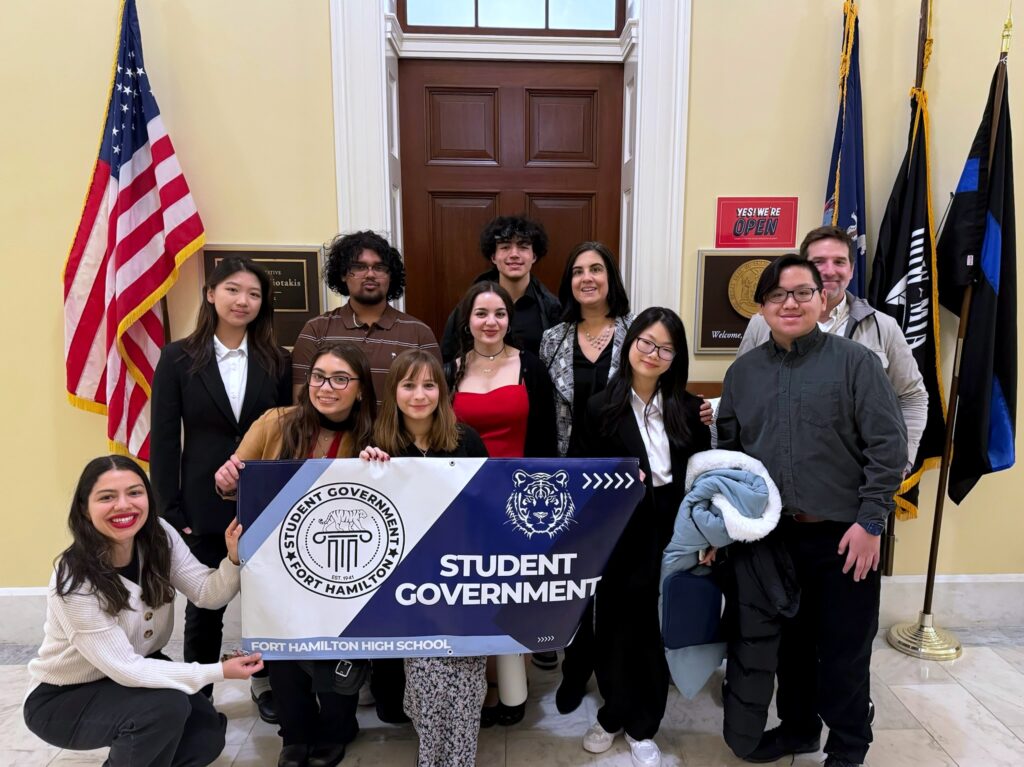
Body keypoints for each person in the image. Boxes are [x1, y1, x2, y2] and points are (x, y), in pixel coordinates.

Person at [716, 256, 907, 767]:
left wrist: (871, 522)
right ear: (762, 307)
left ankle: (848, 746)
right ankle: (799, 729)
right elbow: (730, 456)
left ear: (823, 300)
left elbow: (888, 446)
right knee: (790, 648)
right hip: (772, 538)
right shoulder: (743, 374)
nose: (790, 303)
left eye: (803, 292)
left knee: (844, 652)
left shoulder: (855, 363)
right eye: (777, 295)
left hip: (845, 537)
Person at [24, 455, 263, 767]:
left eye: (135, 493)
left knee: (205, 735)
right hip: (63, 697)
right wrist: (219, 671)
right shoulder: (74, 580)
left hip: (131, 672)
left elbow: (207, 594)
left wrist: (233, 558)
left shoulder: (159, 535)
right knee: (164, 709)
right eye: (107, 497)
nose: (123, 505)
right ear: (84, 508)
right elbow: (127, 668)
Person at [215, 343, 376, 767]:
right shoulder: (275, 422)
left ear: (360, 389)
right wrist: (226, 479)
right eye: (319, 377)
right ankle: (295, 734)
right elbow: (235, 481)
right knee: (283, 652)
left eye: (340, 379)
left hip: (343, 565)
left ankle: (338, 728)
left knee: (336, 649)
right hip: (276, 563)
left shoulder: (372, 433)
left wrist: (381, 463)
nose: (326, 387)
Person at [150, 256, 289, 720]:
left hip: (264, 501)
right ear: (211, 294)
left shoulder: (278, 360)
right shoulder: (176, 358)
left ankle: (268, 686)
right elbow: (164, 440)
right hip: (201, 506)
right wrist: (170, 512)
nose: (242, 301)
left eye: (253, 293)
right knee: (205, 608)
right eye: (232, 289)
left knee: (268, 602)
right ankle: (199, 699)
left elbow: (287, 433)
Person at [572, 308, 711, 767]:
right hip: (619, 528)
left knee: (654, 627)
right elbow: (579, 473)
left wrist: (707, 537)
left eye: (665, 348)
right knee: (614, 624)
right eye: (646, 342)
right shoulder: (599, 406)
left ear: (676, 357)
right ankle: (612, 714)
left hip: (673, 526)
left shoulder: (689, 409)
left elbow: (703, 478)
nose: (653, 354)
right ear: (630, 343)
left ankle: (644, 724)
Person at [360, 349, 489, 767]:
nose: (419, 395)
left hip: (462, 578)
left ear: (443, 391)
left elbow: (488, 506)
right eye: (409, 385)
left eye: (429, 385)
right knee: (424, 681)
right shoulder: (377, 446)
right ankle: (432, 754)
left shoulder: (467, 441)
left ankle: (458, 758)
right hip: (408, 585)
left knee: (466, 678)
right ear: (393, 391)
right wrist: (364, 470)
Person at [446, 280, 557, 723]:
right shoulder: (449, 370)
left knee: (515, 595)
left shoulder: (532, 367)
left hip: (522, 501)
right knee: (476, 595)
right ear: (467, 320)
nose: (490, 322)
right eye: (481, 313)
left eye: (499, 313)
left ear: (510, 320)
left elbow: (547, 440)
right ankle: (484, 685)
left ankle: (514, 689)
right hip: (465, 502)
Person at [735, 225, 927, 470]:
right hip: (774, 472)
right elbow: (742, 394)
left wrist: (901, 461)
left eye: (839, 261)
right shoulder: (762, 324)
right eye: (818, 262)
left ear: (852, 269)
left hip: (856, 475)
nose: (829, 270)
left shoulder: (883, 327)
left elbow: (911, 396)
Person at [538, 240, 633, 708]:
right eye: (578, 271)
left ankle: (615, 677)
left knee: (617, 584)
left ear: (610, 278)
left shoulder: (636, 334)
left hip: (622, 481)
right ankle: (574, 670)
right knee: (572, 582)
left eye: (596, 269)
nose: (587, 278)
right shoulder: (552, 338)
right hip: (567, 478)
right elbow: (543, 410)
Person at [291, 230, 441, 406]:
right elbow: (301, 405)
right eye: (359, 267)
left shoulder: (419, 333)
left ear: (390, 276)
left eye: (379, 267)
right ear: (343, 274)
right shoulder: (316, 330)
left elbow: (436, 402)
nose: (370, 274)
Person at [440, 215, 561, 360]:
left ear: (534, 256)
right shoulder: (471, 303)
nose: (514, 254)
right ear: (493, 257)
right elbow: (447, 356)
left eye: (523, 247)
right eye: (505, 247)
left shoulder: (551, 307)